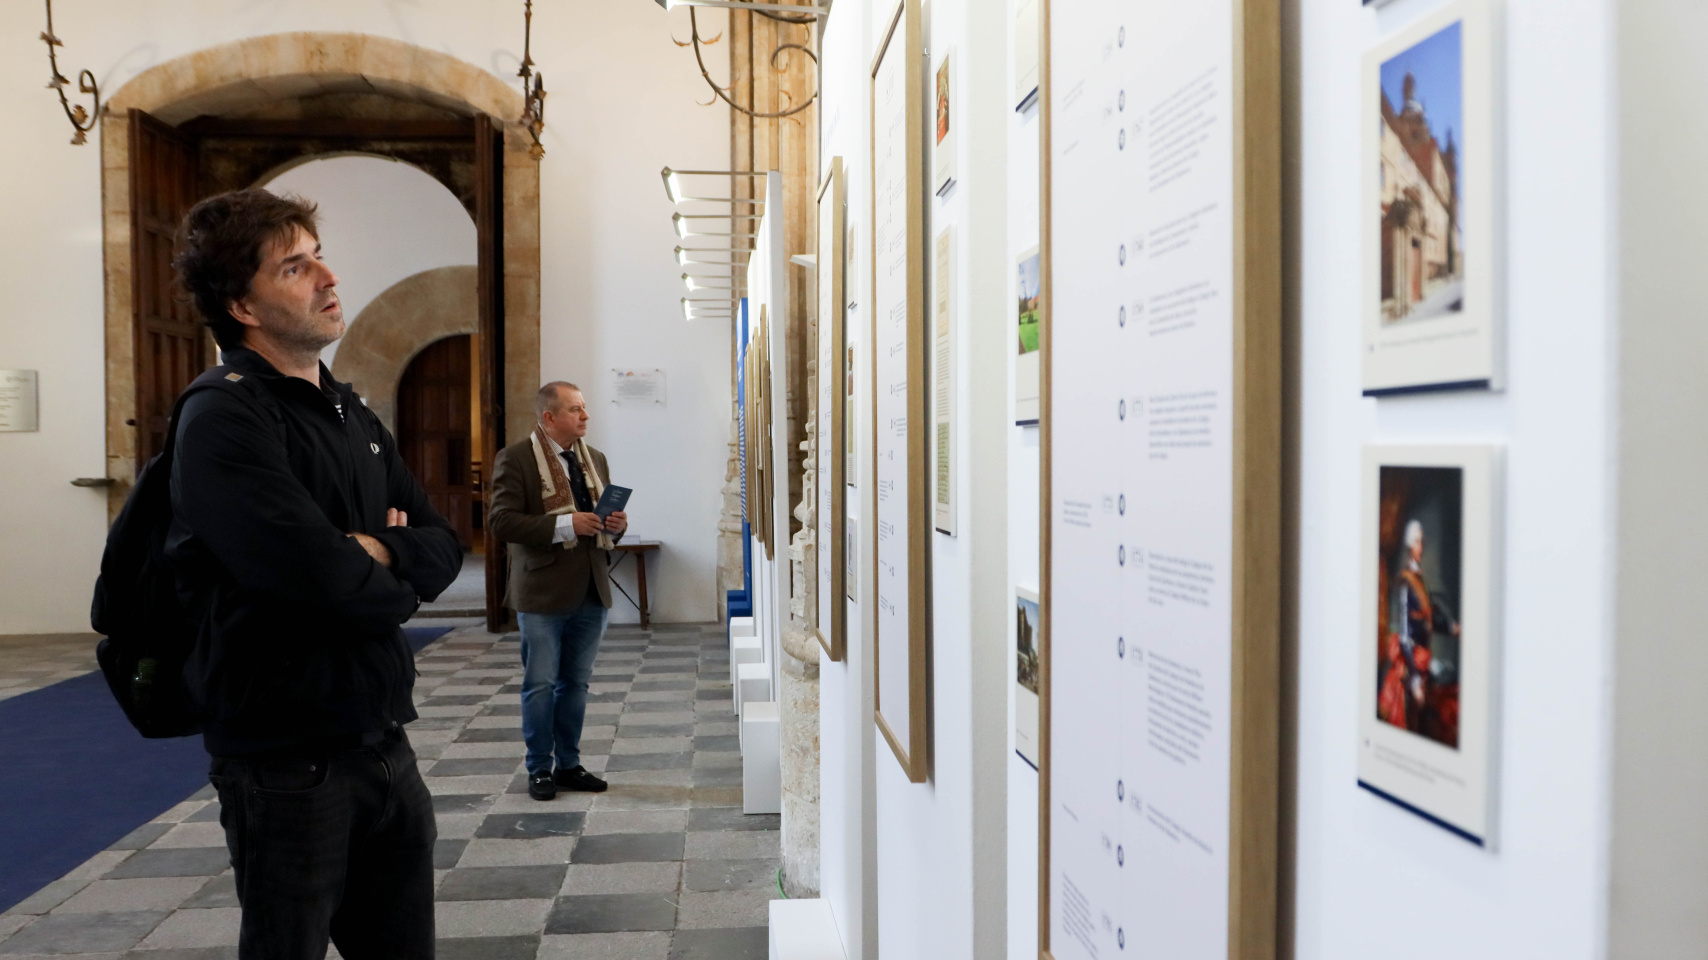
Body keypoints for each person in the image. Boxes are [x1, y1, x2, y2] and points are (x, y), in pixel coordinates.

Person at [167, 188, 462, 959]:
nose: (328, 277)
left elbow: (443, 543)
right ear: (243, 305)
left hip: (383, 743)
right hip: (286, 762)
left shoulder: (349, 413)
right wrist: (375, 562)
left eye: (318, 257)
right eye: (295, 267)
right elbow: (323, 580)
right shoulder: (224, 417)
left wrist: (378, 550)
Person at [488, 381, 628, 801]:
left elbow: (600, 522)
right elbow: (501, 522)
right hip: (543, 592)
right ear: (549, 417)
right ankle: (540, 769)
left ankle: (569, 764)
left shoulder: (595, 458)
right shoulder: (516, 459)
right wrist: (566, 524)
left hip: (591, 587)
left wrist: (614, 527)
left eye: (584, 408)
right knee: (541, 684)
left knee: (576, 684)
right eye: (575, 410)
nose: (585, 416)